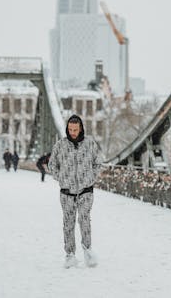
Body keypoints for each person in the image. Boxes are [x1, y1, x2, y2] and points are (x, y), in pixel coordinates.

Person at [48, 115, 102, 269]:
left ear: (81, 128)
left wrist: (92, 178)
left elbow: (98, 162)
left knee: (85, 220)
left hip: (86, 190)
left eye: (75, 130)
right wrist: (61, 178)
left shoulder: (90, 143)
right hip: (66, 192)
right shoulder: (60, 145)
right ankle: (70, 255)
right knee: (68, 224)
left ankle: (88, 251)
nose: (72, 132)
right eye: (70, 129)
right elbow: (52, 165)